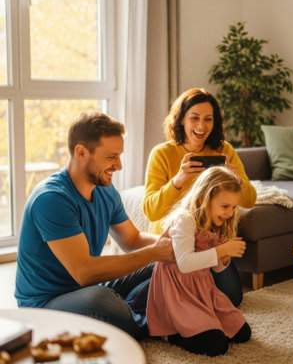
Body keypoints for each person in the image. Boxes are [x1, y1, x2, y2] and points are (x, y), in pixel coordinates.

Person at [15, 111, 175, 339]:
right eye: (111, 157)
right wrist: (154, 253)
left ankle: (137, 313)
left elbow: (132, 240)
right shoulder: (51, 199)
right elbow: (85, 273)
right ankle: (154, 318)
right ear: (81, 152)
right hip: (46, 304)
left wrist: (170, 245)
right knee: (101, 299)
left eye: (119, 156)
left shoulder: (105, 189)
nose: (118, 165)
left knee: (164, 268)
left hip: (90, 288)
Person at [143, 88, 257, 306]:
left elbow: (250, 200)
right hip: (175, 244)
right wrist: (178, 180)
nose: (201, 126)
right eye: (194, 118)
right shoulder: (162, 153)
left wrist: (236, 179)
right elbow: (151, 210)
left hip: (210, 242)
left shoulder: (224, 150)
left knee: (233, 298)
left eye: (208, 119)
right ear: (181, 120)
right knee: (178, 298)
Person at [146, 166, 251, 356]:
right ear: (204, 198)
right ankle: (170, 334)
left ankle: (205, 325)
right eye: (225, 206)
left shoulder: (214, 221)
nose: (229, 213)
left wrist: (224, 258)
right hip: (178, 291)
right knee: (216, 346)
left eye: (233, 207)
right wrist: (221, 250)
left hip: (202, 288)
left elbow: (213, 267)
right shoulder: (185, 220)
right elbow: (185, 263)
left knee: (243, 333)